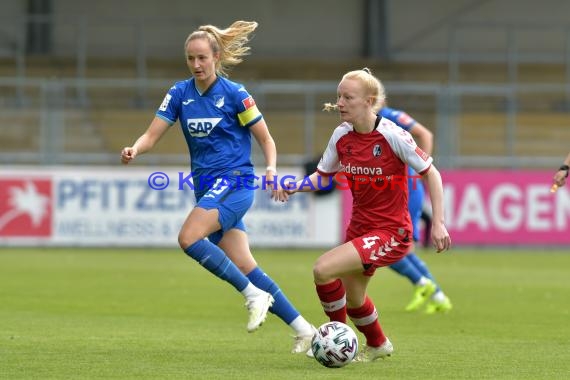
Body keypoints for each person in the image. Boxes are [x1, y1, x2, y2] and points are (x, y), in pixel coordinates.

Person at [120, 20, 315, 353]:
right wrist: (135, 148)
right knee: (245, 265)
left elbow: (266, 138)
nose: (196, 65)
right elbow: (152, 135)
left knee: (188, 238)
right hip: (207, 188)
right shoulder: (179, 93)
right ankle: (305, 330)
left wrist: (270, 169)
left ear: (216, 57)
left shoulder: (236, 94)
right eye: (190, 59)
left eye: (202, 58)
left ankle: (254, 296)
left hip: (236, 181)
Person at [278, 68, 451, 362]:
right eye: (339, 96)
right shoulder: (341, 136)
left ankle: (335, 339)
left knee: (323, 269)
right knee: (355, 299)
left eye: (348, 97)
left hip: (391, 231)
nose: (340, 103)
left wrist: (438, 223)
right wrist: (296, 187)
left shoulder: (393, 135)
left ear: (369, 101)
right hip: (359, 227)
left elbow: (431, 173)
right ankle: (379, 343)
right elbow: (323, 177)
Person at [378, 106, 453, 314]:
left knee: (386, 250)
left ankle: (423, 283)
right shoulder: (360, 125)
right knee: (400, 250)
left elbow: (425, 134)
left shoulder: (389, 116)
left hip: (406, 191)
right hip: (390, 193)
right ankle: (437, 295)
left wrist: (419, 172)